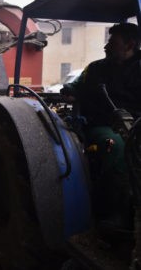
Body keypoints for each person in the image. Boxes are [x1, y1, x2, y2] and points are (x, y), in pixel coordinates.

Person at [60, 22, 141, 230]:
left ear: (130, 44)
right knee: (117, 148)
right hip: (101, 125)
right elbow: (75, 86)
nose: (106, 46)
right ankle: (116, 213)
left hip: (135, 125)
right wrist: (69, 89)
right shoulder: (95, 69)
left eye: (113, 42)